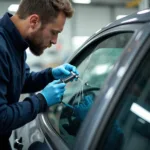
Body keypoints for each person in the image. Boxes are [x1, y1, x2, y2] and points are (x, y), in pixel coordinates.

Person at [0, 0, 79, 149]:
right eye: (54, 32)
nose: (55, 41)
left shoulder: (15, 43)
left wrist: (50, 74)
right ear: (34, 21)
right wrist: (41, 100)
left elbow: (21, 80)